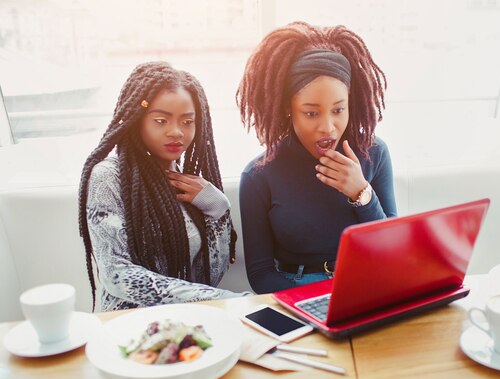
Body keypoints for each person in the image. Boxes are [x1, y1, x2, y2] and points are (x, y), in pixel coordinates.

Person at [237, 22, 397, 294]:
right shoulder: (258, 176)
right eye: (311, 113)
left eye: (338, 110)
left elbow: (390, 247)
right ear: (288, 109)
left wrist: (362, 193)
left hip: (366, 281)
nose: (328, 127)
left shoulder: (374, 153)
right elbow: (260, 274)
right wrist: (314, 301)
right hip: (297, 290)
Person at [78, 61, 247, 311]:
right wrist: (222, 301)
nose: (176, 132)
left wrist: (218, 209)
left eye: (187, 121)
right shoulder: (107, 178)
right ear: (137, 121)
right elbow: (117, 275)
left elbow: (207, 277)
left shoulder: (188, 183)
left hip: (183, 322)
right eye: (161, 121)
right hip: (127, 327)